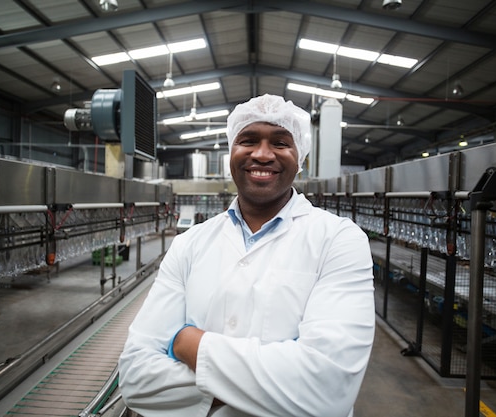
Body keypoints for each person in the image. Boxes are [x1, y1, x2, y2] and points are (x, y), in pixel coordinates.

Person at [118, 94, 375, 417]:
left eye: (281, 143)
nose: (263, 154)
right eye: (248, 140)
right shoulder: (190, 243)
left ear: (301, 157)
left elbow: (328, 389)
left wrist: (187, 344)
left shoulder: (339, 239)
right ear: (231, 152)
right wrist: (265, 391)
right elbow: (135, 377)